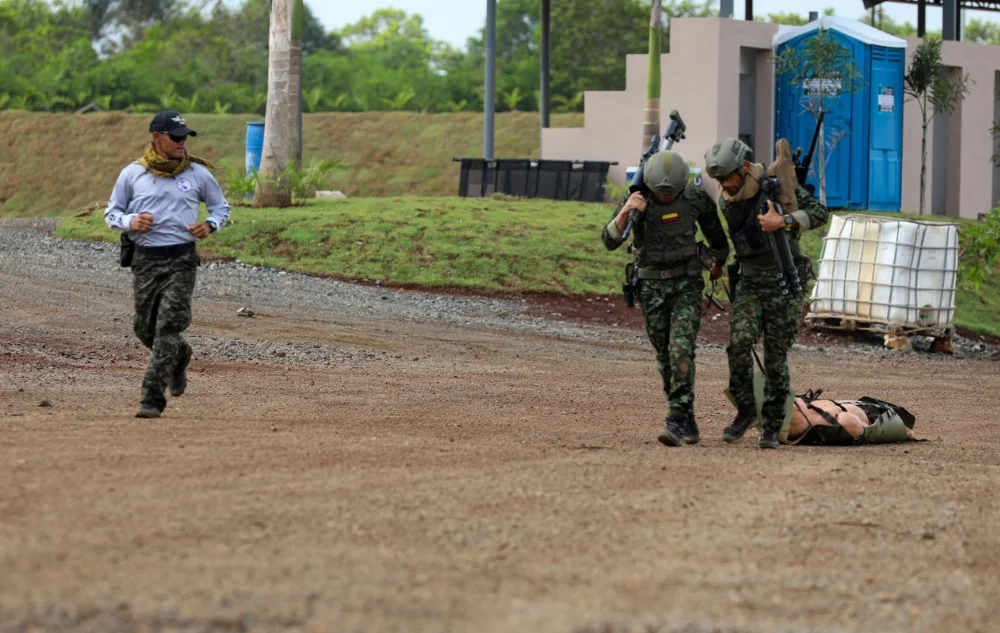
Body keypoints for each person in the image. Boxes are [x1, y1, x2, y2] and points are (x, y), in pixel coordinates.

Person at [103, 110, 231, 418]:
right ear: (157, 137)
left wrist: (210, 225)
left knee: (167, 328)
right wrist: (131, 220)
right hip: (145, 260)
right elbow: (111, 213)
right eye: (176, 137)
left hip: (181, 259)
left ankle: (151, 399)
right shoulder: (133, 174)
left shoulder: (198, 174)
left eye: (185, 136)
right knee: (144, 328)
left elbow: (221, 207)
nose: (182, 142)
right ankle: (180, 356)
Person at [703, 137, 828, 449]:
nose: (724, 184)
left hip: (784, 280)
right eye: (719, 179)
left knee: (775, 357)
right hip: (750, 280)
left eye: (729, 177)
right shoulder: (725, 199)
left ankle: (772, 426)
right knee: (738, 343)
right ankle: (746, 408)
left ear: (745, 168)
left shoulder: (773, 186)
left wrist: (783, 221)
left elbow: (819, 212)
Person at [602, 150, 730, 447]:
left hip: (686, 284)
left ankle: (675, 417)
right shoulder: (638, 199)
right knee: (665, 357)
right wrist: (626, 210)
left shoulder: (695, 199)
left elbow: (719, 241)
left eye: (671, 194)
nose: (666, 198)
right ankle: (687, 417)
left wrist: (716, 265)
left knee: (681, 348)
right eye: (661, 194)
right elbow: (609, 241)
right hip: (651, 287)